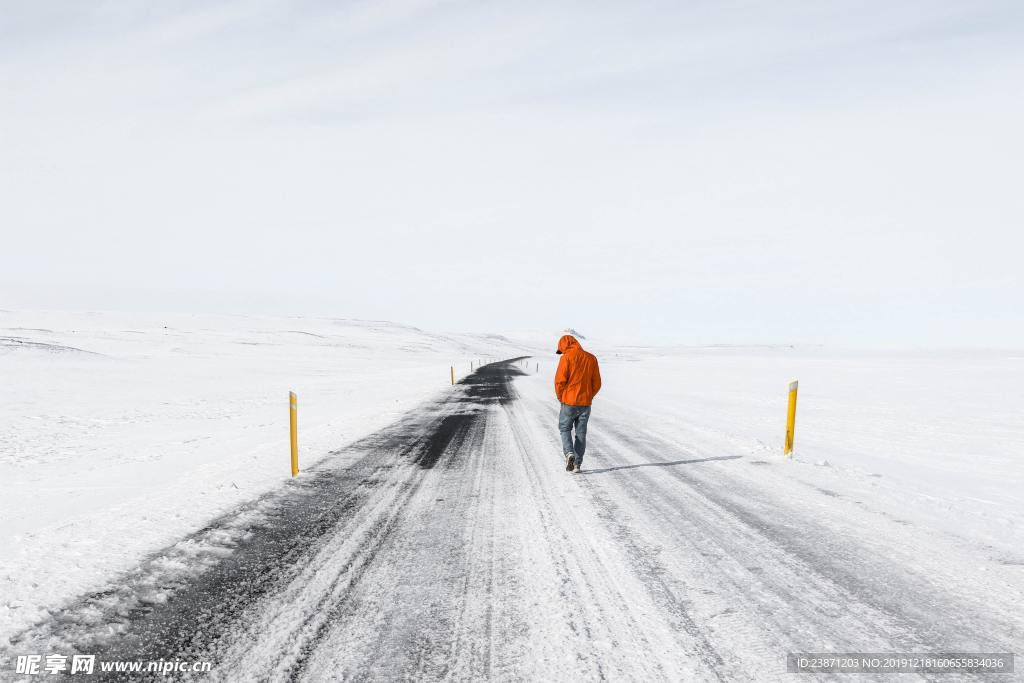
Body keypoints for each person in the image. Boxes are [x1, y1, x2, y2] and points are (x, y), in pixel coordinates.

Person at [554, 334, 602, 473]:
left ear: (564, 346)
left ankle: (569, 453)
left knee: (564, 429)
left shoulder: (566, 358)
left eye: (561, 350)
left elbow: (559, 382)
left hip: (569, 401)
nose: (561, 353)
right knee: (581, 434)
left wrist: (561, 397)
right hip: (585, 403)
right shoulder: (591, 358)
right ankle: (577, 464)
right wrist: (588, 395)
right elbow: (597, 383)